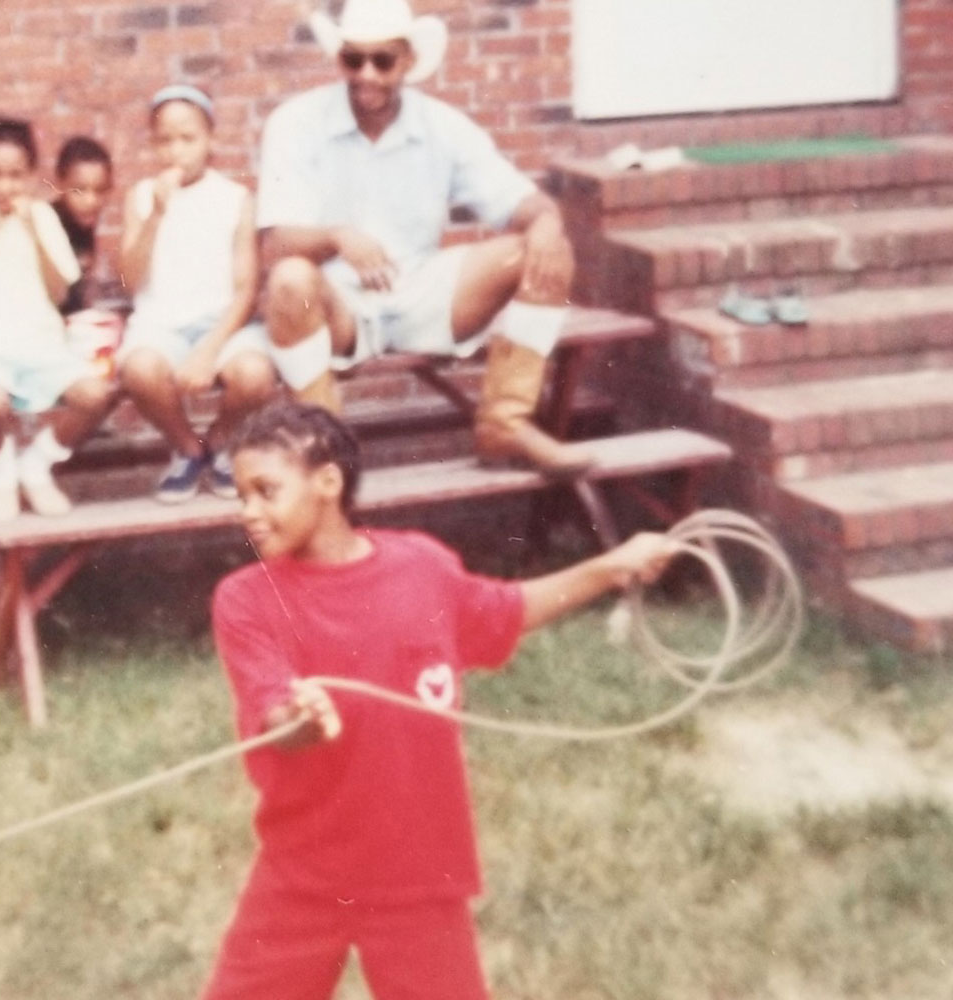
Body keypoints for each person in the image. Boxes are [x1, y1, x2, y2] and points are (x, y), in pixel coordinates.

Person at [201, 401, 680, 1000]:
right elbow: (270, 709)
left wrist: (610, 568)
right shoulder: (245, 598)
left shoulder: (419, 566)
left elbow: (504, 612)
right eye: (240, 494)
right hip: (304, 871)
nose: (249, 511)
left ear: (328, 483)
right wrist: (299, 716)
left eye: (266, 491)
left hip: (418, 871)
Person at [256, 0, 592, 474]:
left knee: (541, 247)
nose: (366, 74)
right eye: (353, 59)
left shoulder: (442, 125)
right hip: (337, 307)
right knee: (290, 279)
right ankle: (325, 449)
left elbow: (522, 201)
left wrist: (547, 222)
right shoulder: (295, 123)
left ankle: (505, 423)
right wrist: (336, 236)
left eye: (383, 60)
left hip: (422, 292)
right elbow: (274, 247)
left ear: (409, 61)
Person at [0, 117, 114, 522]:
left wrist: (34, 233)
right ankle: (1, 474)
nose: (5, 187)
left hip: (38, 350)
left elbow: (60, 293)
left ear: (31, 176)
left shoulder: (43, 219)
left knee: (96, 396)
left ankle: (37, 466)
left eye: (16, 176)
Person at [117, 84, 274, 503]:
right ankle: (188, 449)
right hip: (160, 324)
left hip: (222, 325)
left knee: (255, 375)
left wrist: (208, 350)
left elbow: (246, 290)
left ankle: (220, 443)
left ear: (210, 141)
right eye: (165, 140)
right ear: (152, 145)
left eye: (188, 139)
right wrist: (156, 215)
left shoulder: (236, 199)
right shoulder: (141, 197)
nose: (176, 151)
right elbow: (131, 281)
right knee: (140, 369)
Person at [49, 135, 114, 316]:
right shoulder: (49, 225)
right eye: (79, 190)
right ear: (60, 184)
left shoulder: (83, 222)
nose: (91, 200)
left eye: (100, 190)